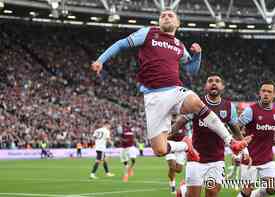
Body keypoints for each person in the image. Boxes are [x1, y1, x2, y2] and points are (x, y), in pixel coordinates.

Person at [91, 8, 249, 162]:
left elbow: (191, 69)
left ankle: (231, 143)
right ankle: (185, 146)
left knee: (196, 102)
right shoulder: (149, 33)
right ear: (159, 21)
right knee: (159, 149)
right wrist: (101, 60)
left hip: (174, 90)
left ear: (177, 23)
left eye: (170, 15)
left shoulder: (179, 45)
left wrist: (197, 55)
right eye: (163, 15)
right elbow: (121, 44)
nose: (166, 17)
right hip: (153, 96)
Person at [173, 73, 252, 197]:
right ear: (205, 86)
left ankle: (184, 190)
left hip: (216, 161)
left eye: (217, 81)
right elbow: (178, 124)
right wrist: (166, 135)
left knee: (212, 193)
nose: (214, 83)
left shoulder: (229, 107)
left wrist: (246, 152)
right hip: (196, 159)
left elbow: (236, 133)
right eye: (210, 81)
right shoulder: (196, 103)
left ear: (222, 87)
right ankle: (184, 190)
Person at [237, 80, 275, 197]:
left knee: (273, 188)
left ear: (274, 95)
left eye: (269, 91)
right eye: (263, 91)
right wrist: (241, 139)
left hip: (267, 159)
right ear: (259, 93)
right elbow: (235, 127)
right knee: (246, 192)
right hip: (249, 158)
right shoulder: (250, 110)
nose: (266, 94)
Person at [165, 117, 188, 193]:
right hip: (170, 146)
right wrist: (172, 134)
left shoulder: (183, 122)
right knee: (172, 165)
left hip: (180, 147)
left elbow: (184, 135)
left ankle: (171, 175)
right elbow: (164, 137)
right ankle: (172, 186)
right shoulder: (167, 124)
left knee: (178, 170)